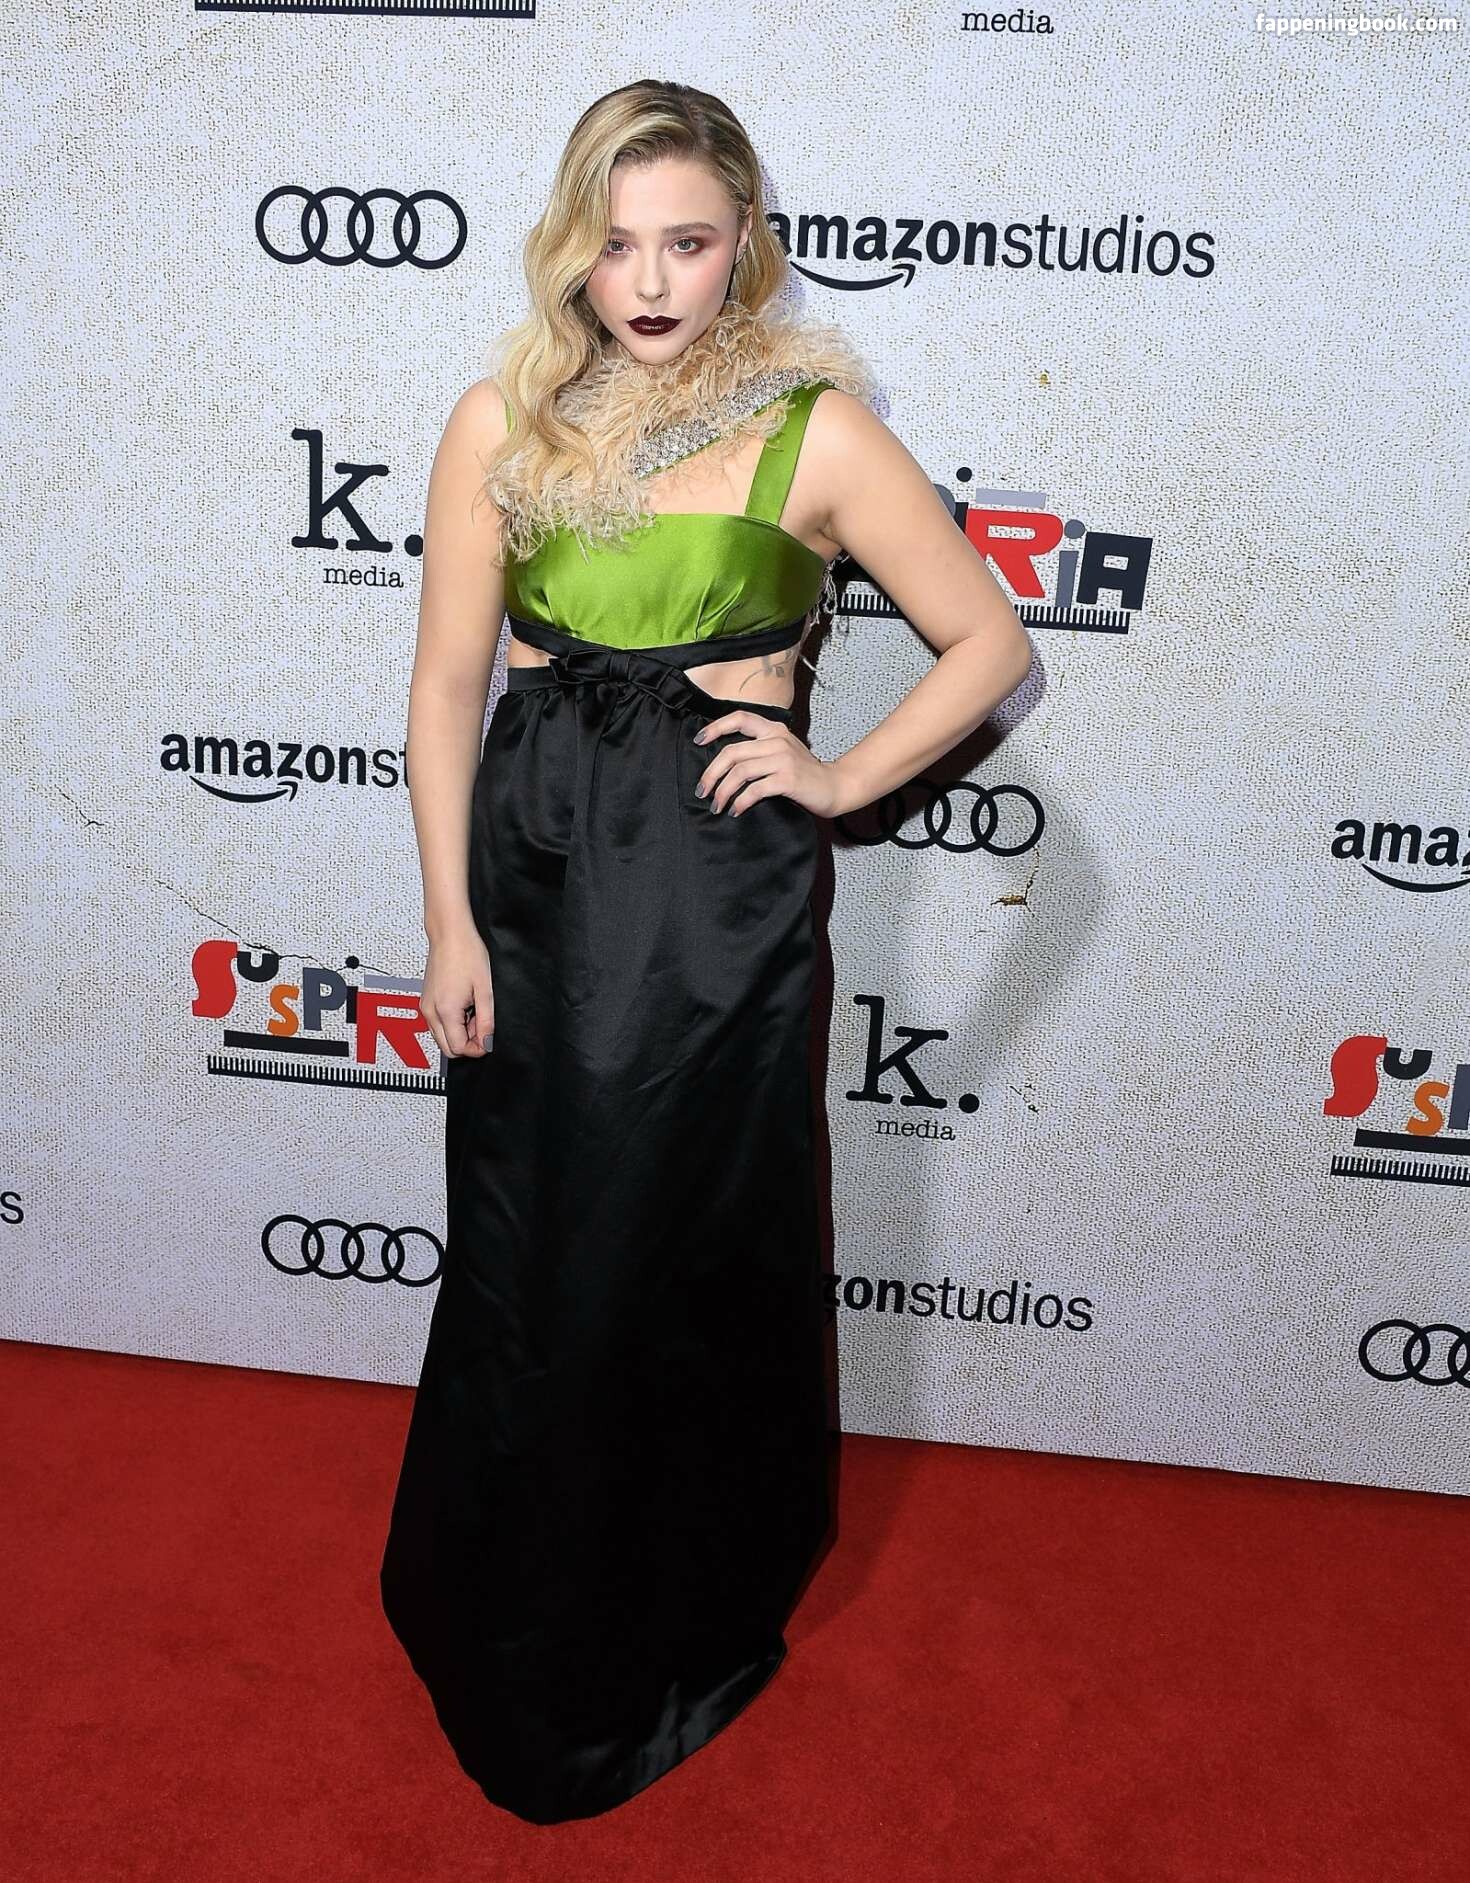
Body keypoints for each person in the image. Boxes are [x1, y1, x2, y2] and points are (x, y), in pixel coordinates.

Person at [379, 79, 1032, 1825]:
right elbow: (445, 686)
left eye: (687, 240)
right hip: (531, 881)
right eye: (617, 243)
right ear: (570, 250)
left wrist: (839, 775)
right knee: (527, 1246)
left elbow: (986, 640)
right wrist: (446, 917)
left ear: (743, 241)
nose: (652, 280)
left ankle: (655, 1619)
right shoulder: (503, 419)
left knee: (671, 1243)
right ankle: (512, 1597)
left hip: (708, 899)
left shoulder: (816, 430)